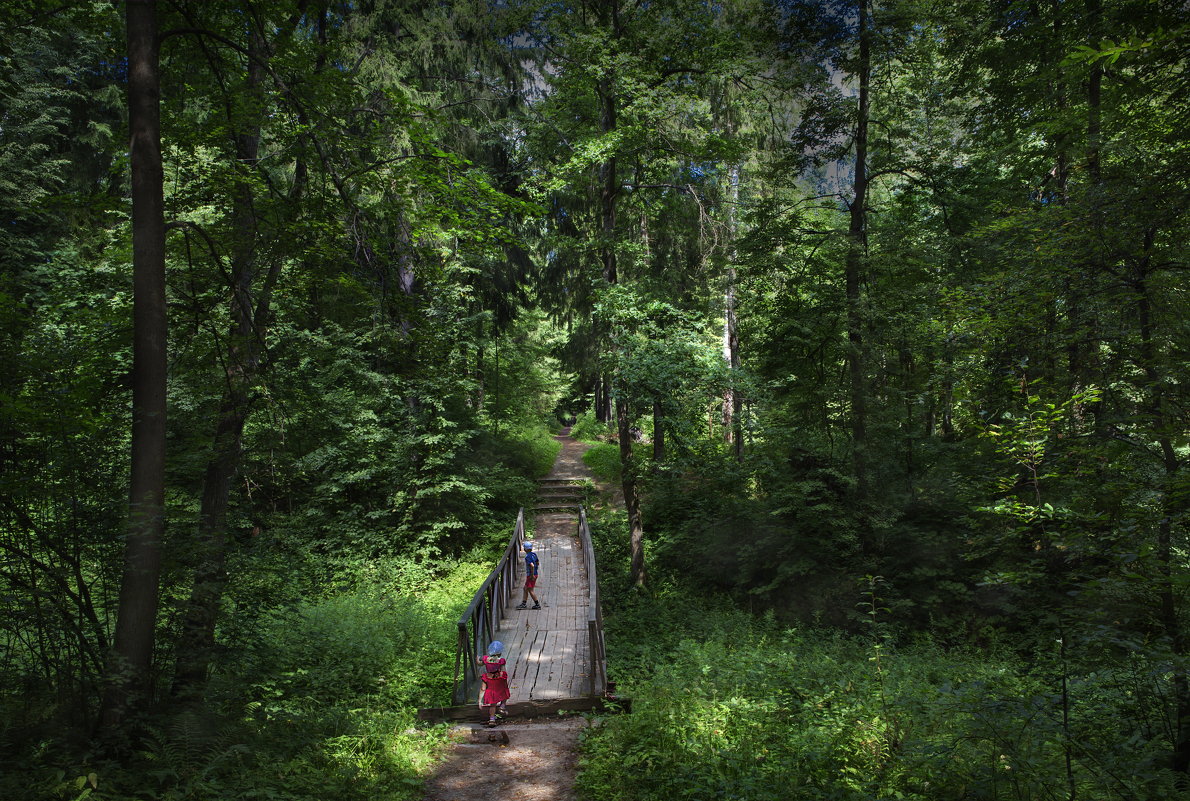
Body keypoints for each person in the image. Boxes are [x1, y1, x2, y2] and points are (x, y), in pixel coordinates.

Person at [478, 640, 510, 727]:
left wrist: (477, 659)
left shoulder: (486, 659)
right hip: (498, 679)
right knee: (505, 692)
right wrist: (503, 677)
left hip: (490, 679)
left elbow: (479, 663)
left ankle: (492, 719)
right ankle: (502, 706)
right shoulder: (501, 660)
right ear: (500, 652)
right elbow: (503, 670)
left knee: (493, 703)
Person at [516, 541, 540, 610]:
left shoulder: (528, 557)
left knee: (530, 590)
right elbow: (537, 562)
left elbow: (531, 565)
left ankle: (537, 604)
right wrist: (536, 569)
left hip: (531, 576)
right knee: (525, 588)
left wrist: (532, 575)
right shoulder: (534, 554)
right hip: (535, 574)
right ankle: (524, 604)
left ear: (525, 549)